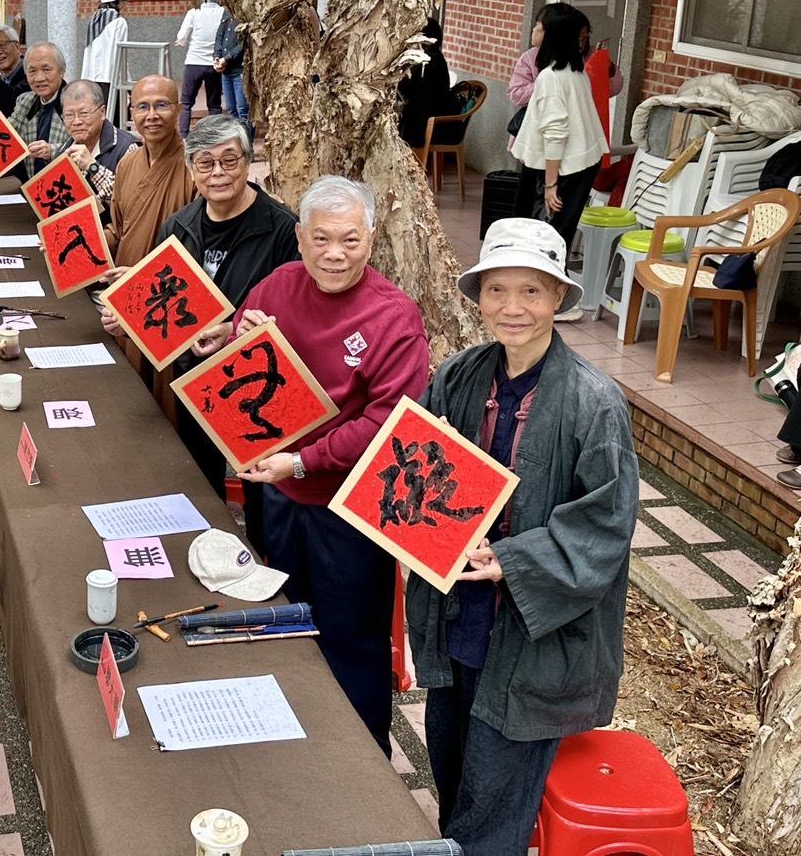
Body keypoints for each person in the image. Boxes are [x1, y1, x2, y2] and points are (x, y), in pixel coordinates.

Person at [408, 217, 638, 853]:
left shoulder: (595, 402)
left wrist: (511, 559)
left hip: (533, 631)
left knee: (495, 796)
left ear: (558, 297)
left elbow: (605, 525)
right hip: (459, 613)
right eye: (497, 290)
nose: (512, 308)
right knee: (452, 763)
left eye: (531, 291)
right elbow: (417, 468)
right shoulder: (459, 376)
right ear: (479, 298)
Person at [228, 176, 430, 756]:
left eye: (350, 240)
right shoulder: (278, 284)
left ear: (371, 240)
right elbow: (241, 354)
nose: (334, 254)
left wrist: (302, 461)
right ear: (299, 238)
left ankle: (365, 763)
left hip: (351, 508)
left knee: (352, 640)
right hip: (279, 495)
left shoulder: (394, 315)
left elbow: (388, 422)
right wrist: (237, 335)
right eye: (321, 239)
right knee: (284, 620)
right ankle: (296, 751)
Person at [151, 116, 299, 549]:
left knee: (264, 495)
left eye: (229, 161)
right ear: (191, 170)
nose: (217, 173)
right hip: (194, 378)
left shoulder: (282, 230)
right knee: (199, 481)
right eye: (205, 163)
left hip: (260, 389)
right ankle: (205, 552)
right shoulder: (177, 227)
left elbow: (297, 313)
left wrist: (234, 329)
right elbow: (163, 302)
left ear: (248, 163)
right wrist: (130, 318)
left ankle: (265, 564)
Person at [511, 3, 610, 252]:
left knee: (541, 242)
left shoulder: (551, 77)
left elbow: (555, 134)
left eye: (539, 26)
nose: (534, 29)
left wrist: (550, 184)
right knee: (555, 239)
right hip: (579, 166)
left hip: (560, 170)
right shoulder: (575, 70)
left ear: (551, 34)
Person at [104, 75, 196, 267]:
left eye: (161, 105)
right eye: (143, 107)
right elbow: (118, 231)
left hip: (164, 280)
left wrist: (142, 274)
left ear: (178, 110)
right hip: (122, 281)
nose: (152, 115)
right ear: (132, 112)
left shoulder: (194, 168)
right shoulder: (126, 164)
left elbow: (195, 247)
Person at [508, 1, 624, 114]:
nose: (581, 42)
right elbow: (516, 94)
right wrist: (551, 86)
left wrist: (607, 71)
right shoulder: (531, 57)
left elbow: (613, 87)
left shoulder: (591, 56)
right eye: (537, 25)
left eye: (585, 37)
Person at [61, 79, 138, 219]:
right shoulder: (64, 150)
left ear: (102, 112)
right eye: (69, 115)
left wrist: (92, 167)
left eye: (84, 114)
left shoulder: (127, 148)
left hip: (112, 231)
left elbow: (129, 202)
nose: (76, 122)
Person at [9, 42, 72, 177]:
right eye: (32, 71)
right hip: (31, 183)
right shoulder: (25, 101)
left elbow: (85, 146)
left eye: (46, 70)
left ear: (62, 71)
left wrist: (51, 151)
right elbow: (7, 133)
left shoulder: (74, 103)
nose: (39, 78)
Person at [396, 18, 458, 151]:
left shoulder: (429, 60)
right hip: (432, 114)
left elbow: (412, 89)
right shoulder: (435, 56)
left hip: (434, 122)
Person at [175, 0, 225, 133]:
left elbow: (181, 36)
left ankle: (184, 135)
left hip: (194, 62)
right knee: (214, 104)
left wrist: (182, 42)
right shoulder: (223, 12)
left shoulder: (193, 12)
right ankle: (215, 135)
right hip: (215, 63)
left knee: (186, 103)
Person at [79, 0, 130, 123]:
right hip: (111, 76)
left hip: (92, 76)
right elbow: (121, 51)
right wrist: (125, 77)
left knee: (96, 117)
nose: (124, 5)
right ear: (117, 2)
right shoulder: (119, 22)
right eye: (123, 1)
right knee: (116, 119)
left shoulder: (94, 20)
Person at [214, 9, 249, 146]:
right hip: (226, 72)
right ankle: (235, 144)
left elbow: (243, 43)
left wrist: (227, 58)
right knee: (231, 110)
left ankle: (246, 145)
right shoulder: (226, 13)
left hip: (239, 70)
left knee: (242, 111)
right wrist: (217, 57)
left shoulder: (243, 13)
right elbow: (219, 37)